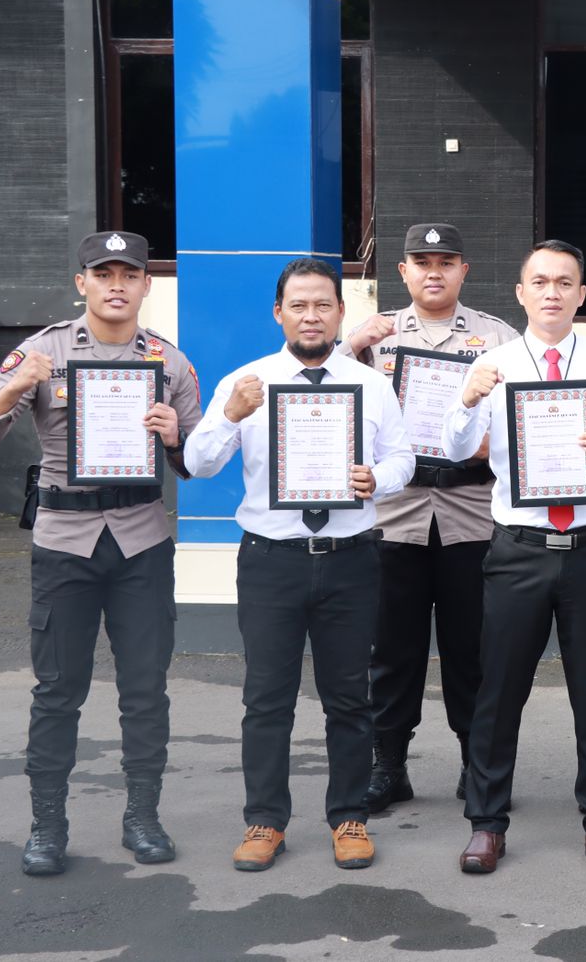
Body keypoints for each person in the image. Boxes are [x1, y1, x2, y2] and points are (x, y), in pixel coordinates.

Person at [0, 231, 203, 876]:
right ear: (82, 283)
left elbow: (196, 462)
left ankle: (142, 816)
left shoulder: (171, 363)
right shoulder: (41, 351)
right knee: (57, 690)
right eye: (103, 274)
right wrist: (15, 388)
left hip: (141, 542)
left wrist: (175, 439)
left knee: (145, 689)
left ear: (146, 284)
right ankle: (47, 825)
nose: (116, 285)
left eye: (129, 274)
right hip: (64, 543)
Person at [185, 257, 415, 872]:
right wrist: (230, 415)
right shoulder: (247, 382)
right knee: (267, 698)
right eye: (298, 305)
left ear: (340, 312)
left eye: (322, 305)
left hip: (350, 559)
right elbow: (198, 463)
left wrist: (379, 478)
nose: (311, 316)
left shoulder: (370, 385)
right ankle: (265, 820)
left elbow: (404, 458)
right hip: (271, 560)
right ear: (278, 313)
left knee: (350, 697)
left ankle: (348, 817)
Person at [443, 239, 586, 876]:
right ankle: (486, 823)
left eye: (564, 282)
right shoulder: (492, 364)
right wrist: (467, 400)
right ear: (521, 293)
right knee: (499, 691)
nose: (552, 292)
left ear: (581, 295)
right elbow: (454, 449)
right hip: (520, 549)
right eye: (540, 282)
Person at [342, 223, 519, 813]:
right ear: (404, 271)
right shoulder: (376, 336)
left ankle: (477, 765)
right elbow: (325, 395)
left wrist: (489, 445)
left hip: (472, 512)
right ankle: (388, 765)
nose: (434, 272)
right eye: (422, 262)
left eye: (446, 261)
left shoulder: (498, 337)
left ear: (464, 270)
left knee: (473, 649)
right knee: (393, 649)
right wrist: (350, 344)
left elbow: (525, 418)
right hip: (397, 512)